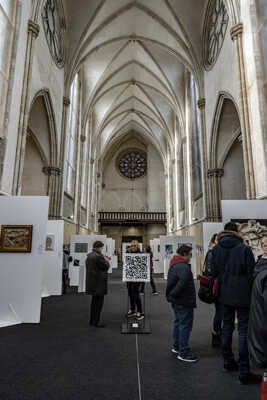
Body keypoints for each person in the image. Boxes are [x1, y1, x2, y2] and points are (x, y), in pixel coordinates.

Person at [211, 221, 261, 384]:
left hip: (224, 294)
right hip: (242, 295)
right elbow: (251, 271)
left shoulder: (216, 249)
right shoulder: (244, 248)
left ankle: (228, 361)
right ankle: (244, 371)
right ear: (237, 231)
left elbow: (214, 272)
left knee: (226, 327)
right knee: (243, 330)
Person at [166, 244, 197, 363]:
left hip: (177, 301)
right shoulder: (183, 267)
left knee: (178, 323)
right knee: (185, 326)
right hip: (183, 301)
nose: (191, 256)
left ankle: (177, 346)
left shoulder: (175, 263)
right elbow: (182, 283)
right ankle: (183, 352)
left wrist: (172, 295)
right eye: (190, 254)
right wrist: (174, 294)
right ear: (184, 254)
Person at [248, 237, 267, 368]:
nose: (266, 246)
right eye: (264, 244)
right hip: (259, 304)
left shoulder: (260, 262)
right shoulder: (260, 261)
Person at [203, 233, 223, 347]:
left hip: (222, 286)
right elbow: (210, 272)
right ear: (214, 241)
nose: (219, 241)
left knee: (222, 312)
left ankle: (219, 334)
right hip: (217, 287)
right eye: (217, 239)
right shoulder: (212, 253)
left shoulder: (218, 252)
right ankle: (216, 334)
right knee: (219, 312)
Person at [86, 241, 110, 328]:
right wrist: (107, 261)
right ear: (98, 247)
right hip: (98, 283)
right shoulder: (98, 256)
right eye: (101, 248)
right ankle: (96, 322)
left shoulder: (89, 255)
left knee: (94, 304)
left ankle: (92, 321)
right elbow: (106, 267)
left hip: (93, 283)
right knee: (98, 304)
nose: (101, 249)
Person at [127, 240, 144, 321]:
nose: (133, 247)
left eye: (135, 246)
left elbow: (142, 266)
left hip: (137, 278)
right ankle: (133, 309)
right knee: (130, 293)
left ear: (137, 246)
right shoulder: (129, 253)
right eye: (132, 245)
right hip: (129, 277)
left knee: (135, 294)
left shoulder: (140, 254)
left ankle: (140, 312)